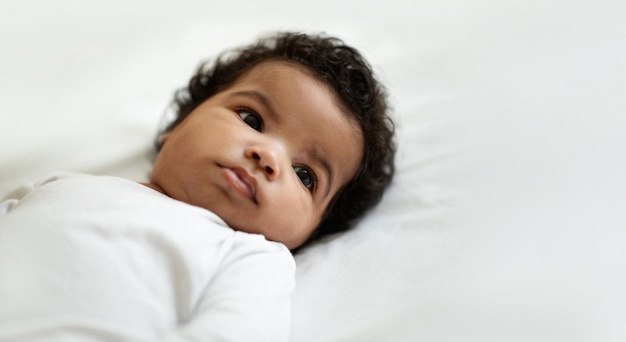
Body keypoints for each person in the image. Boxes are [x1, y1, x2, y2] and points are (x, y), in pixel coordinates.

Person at [0, 32, 395, 341]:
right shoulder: (63, 183)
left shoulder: (252, 259)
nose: (267, 155)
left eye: (305, 175)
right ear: (179, 124)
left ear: (309, 232)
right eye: (252, 119)